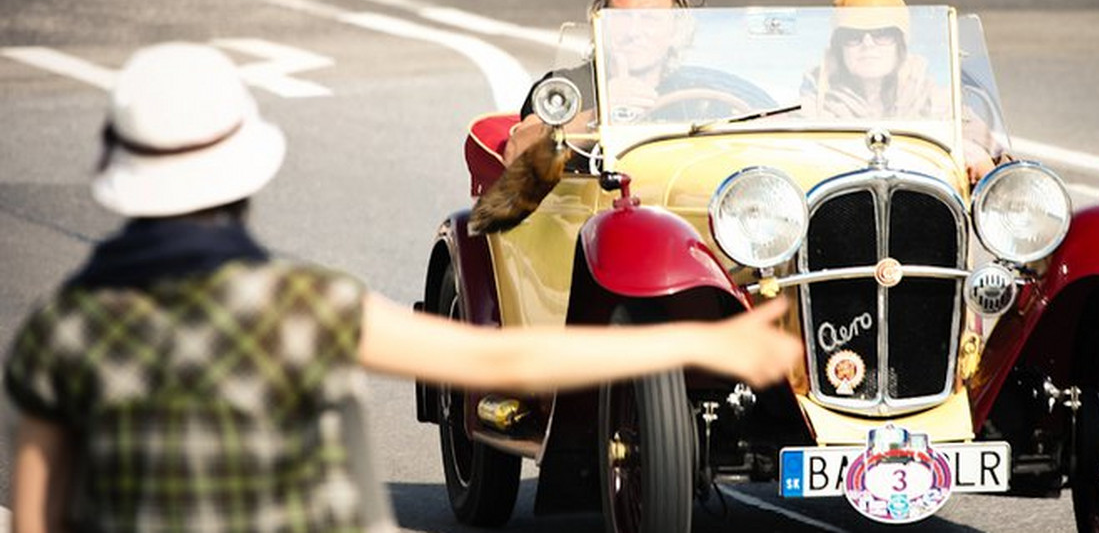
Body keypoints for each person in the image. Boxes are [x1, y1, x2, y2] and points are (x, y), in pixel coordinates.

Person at [4, 43, 802, 532]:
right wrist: (710, 339)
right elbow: (490, 366)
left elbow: (39, 513)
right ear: (242, 178)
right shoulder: (301, 306)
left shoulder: (60, 331)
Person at [807, 0, 1003, 182]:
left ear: (900, 44)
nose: (868, 45)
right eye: (853, 36)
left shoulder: (933, 97)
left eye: (882, 34)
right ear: (839, 47)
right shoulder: (816, 99)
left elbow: (997, 165)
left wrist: (975, 153)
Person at [502, 0, 690, 164]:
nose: (633, 32)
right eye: (621, 18)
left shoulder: (698, 89)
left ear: (676, 29)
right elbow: (515, 154)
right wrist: (598, 114)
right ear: (601, 25)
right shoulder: (567, 89)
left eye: (650, 18)